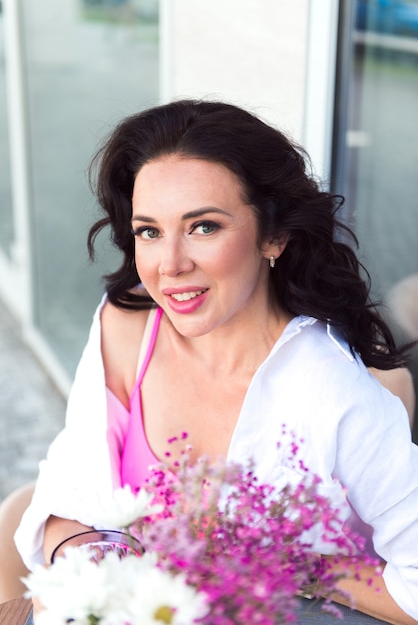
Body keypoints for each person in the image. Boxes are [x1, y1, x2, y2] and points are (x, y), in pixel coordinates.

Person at [6, 100, 418, 623]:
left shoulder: (332, 390)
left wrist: (295, 567)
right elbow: (71, 488)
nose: (169, 266)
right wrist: (91, 577)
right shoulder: (129, 322)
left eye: (203, 227)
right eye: (149, 231)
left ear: (273, 235)